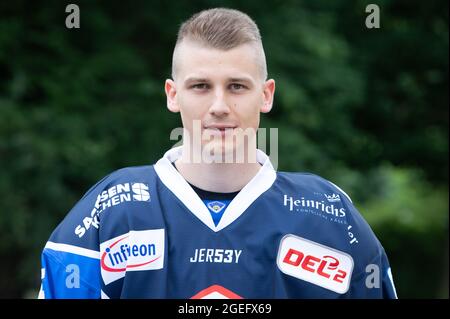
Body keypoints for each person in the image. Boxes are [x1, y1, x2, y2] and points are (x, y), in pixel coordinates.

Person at [38, 8, 397, 299]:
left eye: (237, 86)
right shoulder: (112, 210)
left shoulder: (331, 217)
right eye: (201, 86)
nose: (219, 106)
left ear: (267, 95)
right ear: (173, 94)